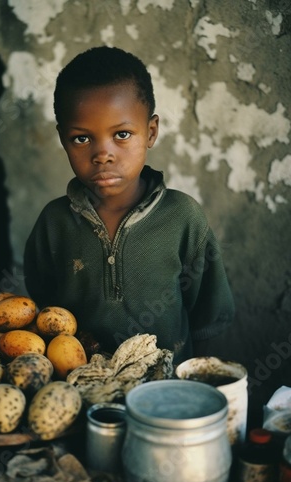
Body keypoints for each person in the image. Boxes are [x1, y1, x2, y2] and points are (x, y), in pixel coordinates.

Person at [24, 46, 235, 364]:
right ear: (63, 138)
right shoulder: (54, 222)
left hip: (166, 395)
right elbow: (43, 311)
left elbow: (208, 320)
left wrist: (201, 390)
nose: (102, 154)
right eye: (81, 139)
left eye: (122, 134)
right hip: (80, 394)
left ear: (150, 132)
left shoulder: (183, 217)